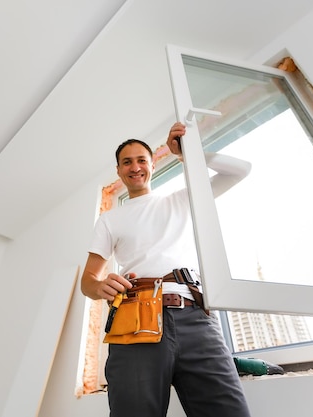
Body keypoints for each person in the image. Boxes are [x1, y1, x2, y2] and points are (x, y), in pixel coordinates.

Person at [81, 121, 252, 417]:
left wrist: (187, 154)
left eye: (141, 160)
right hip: (135, 321)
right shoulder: (109, 220)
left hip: (196, 316)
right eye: (126, 162)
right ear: (119, 171)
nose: (135, 167)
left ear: (152, 165)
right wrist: (99, 287)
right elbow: (88, 281)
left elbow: (239, 170)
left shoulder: (182, 200)